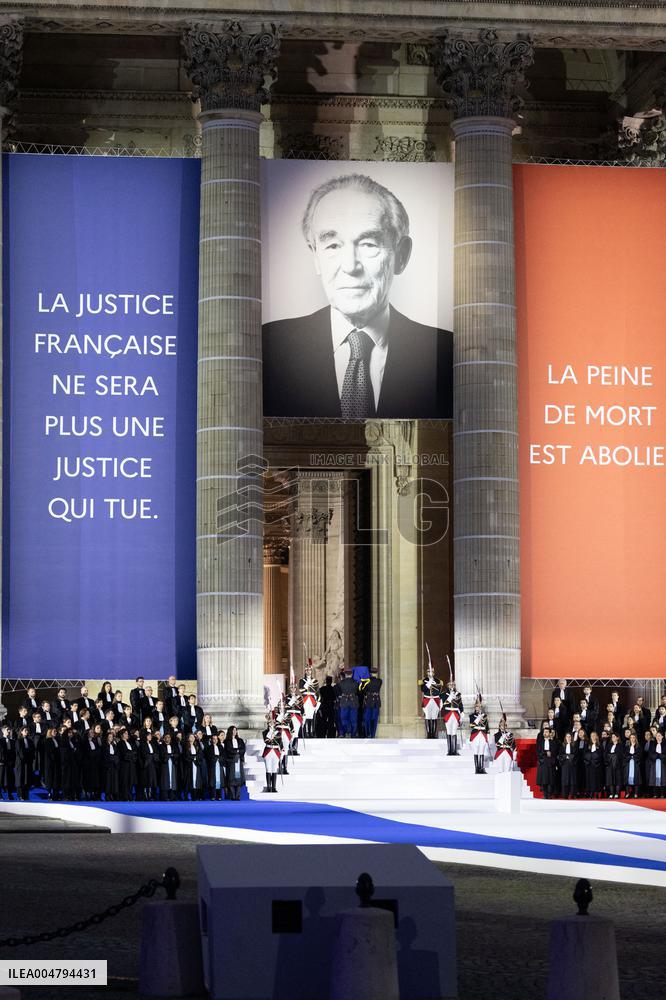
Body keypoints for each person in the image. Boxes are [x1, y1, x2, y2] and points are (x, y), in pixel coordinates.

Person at [262, 173, 453, 419]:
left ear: (401, 255)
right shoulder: (266, 349)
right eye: (332, 246)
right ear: (315, 257)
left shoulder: (448, 356)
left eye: (369, 244)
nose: (350, 266)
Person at [420, 666, 443, 740]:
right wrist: (428, 683)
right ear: (427, 672)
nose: (431, 673)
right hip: (427, 700)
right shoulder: (423, 680)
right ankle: (429, 734)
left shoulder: (438, 681)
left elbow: (438, 691)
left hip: (435, 700)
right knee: (428, 716)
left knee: (434, 717)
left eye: (432, 671)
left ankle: (433, 734)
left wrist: (432, 683)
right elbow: (423, 690)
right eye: (429, 671)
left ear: (434, 672)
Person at [223, 726, 246, 801]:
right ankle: (233, 796)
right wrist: (237, 752)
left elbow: (243, 749)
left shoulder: (240, 740)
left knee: (239, 778)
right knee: (231, 779)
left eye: (235, 730)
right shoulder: (227, 741)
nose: (234, 732)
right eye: (233, 730)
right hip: (231, 761)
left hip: (239, 761)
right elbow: (228, 750)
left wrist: (237, 752)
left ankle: (238, 796)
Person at [442, 680, 464, 756]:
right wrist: (450, 697)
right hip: (448, 713)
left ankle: (454, 750)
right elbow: (444, 704)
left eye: (453, 685)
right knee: (449, 731)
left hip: (455, 713)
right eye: (450, 685)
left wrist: (462, 714)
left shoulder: (458, 694)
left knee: (454, 731)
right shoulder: (444, 694)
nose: (452, 686)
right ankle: (449, 750)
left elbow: (460, 705)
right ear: (447, 686)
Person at [536, 727, 559, 799]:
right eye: (544, 732)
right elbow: (538, 752)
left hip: (551, 763)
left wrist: (550, 754)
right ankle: (545, 795)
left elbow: (555, 752)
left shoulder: (553, 742)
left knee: (551, 780)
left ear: (549, 733)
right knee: (544, 780)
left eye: (546, 732)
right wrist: (546, 752)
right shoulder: (540, 742)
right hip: (543, 762)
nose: (545, 733)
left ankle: (549, 795)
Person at [360, 668, 382, 739]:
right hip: (375, 702)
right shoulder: (379, 681)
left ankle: (368, 734)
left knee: (367, 719)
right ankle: (372, 735)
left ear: (370, 674)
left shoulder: (367, 682)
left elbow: (362, 690)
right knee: (374, 719)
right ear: (376, 673)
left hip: (369, 701)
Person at [262, 715, 282, 793]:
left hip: (276, 751)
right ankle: (268, 786)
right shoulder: (265, 732)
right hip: (268, 750)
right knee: (268, 769)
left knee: (274, 769)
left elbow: (280, 742)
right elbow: (267, 740)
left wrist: (282, 747)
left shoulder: (278, 733)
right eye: (270, 722)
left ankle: (274, 787)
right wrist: (270, 731)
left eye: (273, 722)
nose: (272, 723)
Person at [337, 670, 360, 738]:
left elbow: (339, 691)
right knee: (354, 719)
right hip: (353, 702)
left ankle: (348, 731)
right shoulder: (356, 682)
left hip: (344, 702)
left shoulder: (341, 683)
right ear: (352, 674)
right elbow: (358, 692)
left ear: (345, 675)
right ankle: (353, 734)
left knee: (343, 718)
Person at [14, 728, 35, 801]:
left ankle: (26, 795)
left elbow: (32, 751)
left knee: (27, 779)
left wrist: (29, 758)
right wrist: (26, 756)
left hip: (28, 763)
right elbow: (20, 752)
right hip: (21, 763)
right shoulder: (18, 741)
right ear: (21, 732)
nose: (27, 731)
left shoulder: (30, 741)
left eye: (27, 730)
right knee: (20, 779)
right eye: (25, 730)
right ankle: (20, 795)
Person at [469, 699, 489, 774]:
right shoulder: (472, 716)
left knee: (482, 752)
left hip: (483, 734)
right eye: (477, 706)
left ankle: (481, 768)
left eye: (480, 706)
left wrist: (487, 735)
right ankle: (477, 769)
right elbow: (471, 725)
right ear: (475, 707)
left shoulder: (485, 716)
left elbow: (487, 727)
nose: (478, 708)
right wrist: (478, 718)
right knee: (476, 751)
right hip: (476, 734)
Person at [299, 667, 320, 738]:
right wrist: (307, 683)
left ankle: (312, 732)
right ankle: (305, 733)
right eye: (307, 670)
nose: (308, 672)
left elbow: (317, 692)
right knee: (305, 717)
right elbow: (301, 690)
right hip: (305, 699)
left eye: (310, 670)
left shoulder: (315, 681)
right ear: (305, 671)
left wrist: (318, 702)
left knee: (312, 717)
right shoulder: (302, 680)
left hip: (312, 700)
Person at [583, 731, 604, 799]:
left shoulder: (600, 745)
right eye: (592, 735)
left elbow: (601, 754)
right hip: (589, 765)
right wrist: (592, 756)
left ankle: (597, 793)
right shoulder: (587, 744)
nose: (593, 737)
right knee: (590, 780)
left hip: (597, 765)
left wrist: (593, 756)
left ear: (597, 736)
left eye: (594, 735)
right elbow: (585, 754)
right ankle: (591, 792)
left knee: (597, 779)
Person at [558, 732, 578, 799]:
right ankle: (565, 794)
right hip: (565, 765)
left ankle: (572, 794)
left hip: (572, 764)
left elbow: (576, 755)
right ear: (565, 738)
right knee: (565, 779)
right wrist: (566, 757)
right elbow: (560, 755)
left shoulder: (574, 745)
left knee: (572, 779)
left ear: (571, 738)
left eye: (569, 737)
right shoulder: (562, 745)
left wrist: (569, 757)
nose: (568, 738)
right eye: (567, 737)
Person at [205, 734, 225, 800]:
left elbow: (223, 755)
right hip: (212, 766)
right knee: (213, 781)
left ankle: (219, 796)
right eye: (213, 739)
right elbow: (209, 756)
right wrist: (215, 758)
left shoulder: (220, 747)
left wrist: (219, 758)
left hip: (219, 765)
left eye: (216, 739)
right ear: (211, 740)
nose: (215, 740)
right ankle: (213, 796)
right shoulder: (209, 747)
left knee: (219, 780)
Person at [604, 731, 623, 799]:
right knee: (610, 780)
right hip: (610, 765)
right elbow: (605, 754)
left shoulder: (620, 745)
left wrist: (614, 756)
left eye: (614, 737)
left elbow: (621, 755)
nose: (612, 738)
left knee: (617, 780)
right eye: (612, 737)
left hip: (617, 765)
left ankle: (617, 794)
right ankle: (611, 794)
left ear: (617, 738)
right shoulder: (609, 745)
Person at [623, 733, 642, 799]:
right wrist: (631, 757)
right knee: (627, 779)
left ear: (635, 738)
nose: (632, 739)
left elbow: (640, 755)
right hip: (628, 764)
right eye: (631, 737)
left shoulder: (638, 746)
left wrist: (632, 756)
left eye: (634, 737)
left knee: (636, 778)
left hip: (635, 764)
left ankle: (636, 793)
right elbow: (625, 755)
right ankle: (627, 793)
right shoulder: (627, 747)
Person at [102, 732, 119, 801]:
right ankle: (107, 795)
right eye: (109, 737)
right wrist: (111, 759)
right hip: (107, 766)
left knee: (113, 781)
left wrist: (115, 760)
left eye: (112, 737)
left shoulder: (114, 745)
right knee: (107, 781)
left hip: (114, 765)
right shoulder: (104, 745)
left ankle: (112, 794)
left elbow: (116, 754)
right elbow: (104, 755)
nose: (111, 738)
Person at [647, 730, 665, 798]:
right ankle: (655, 794)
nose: (658, 737)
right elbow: (650, 753)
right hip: (654, 763)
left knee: (663, 778)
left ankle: (662, 794)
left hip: (663, 763)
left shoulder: (665, 744)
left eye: (659, 736)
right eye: (657, 736)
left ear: (662, 736)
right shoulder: (652, 744)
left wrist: (660, 756)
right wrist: (657, 756)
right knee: (654, 778)